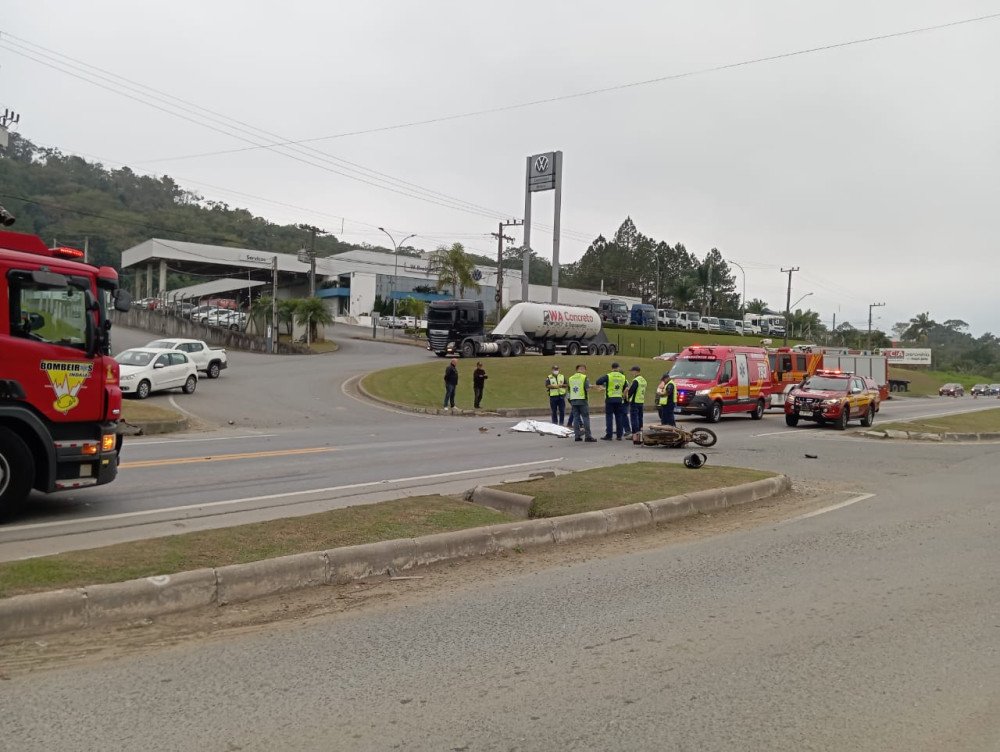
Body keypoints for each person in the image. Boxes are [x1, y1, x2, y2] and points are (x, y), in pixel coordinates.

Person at [596, 362, 628, 440]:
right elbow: (625, 388)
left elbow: (598, 382)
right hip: (619, 399)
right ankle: (619, 435)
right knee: (619, 417)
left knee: (609, 417)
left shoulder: (609, 376)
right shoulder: (623, 377)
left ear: (612, 368)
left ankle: (609, 435)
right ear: (618, 368)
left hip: (610, 399)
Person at [567, 364, 597, 442]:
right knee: (585, 417)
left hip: (573, 399)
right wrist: (593, 387)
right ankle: (588, 436)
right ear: (582, 369)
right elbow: (587, 388)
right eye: (584, 369)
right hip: (582, 399)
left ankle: (577, 436)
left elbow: (569, 389)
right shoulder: (584, 377)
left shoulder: (570, 378)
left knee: (576, 418)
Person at [626, 365, 647, 441]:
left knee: (634, 418)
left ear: (636, 371)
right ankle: (640, 433)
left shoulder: (636, 380)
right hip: (641, 401)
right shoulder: (644, 380)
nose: (632, 373)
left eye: (632, 371)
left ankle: (635, 433)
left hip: (634, 401)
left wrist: (627, 397)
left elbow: (631, 390)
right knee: (640, 417)